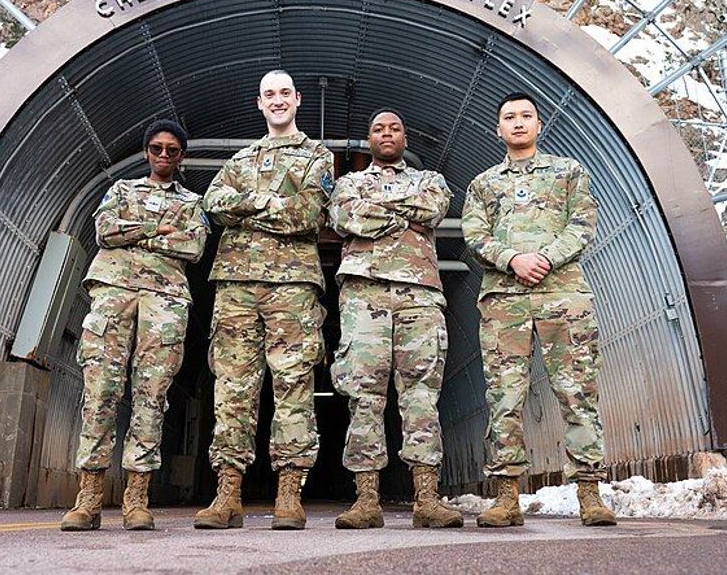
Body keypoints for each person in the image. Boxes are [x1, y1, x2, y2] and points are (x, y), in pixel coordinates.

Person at [460, 92, 617, 528]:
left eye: (526, 115)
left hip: (563, 296)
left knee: (576, 390)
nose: (518, 122)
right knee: (504, 396)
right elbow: (474, 235)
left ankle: (590, 494)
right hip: (504, 301)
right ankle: (506, 497)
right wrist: (512, 259)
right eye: (509, 117)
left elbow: (582, 224)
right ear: (498, 129)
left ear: (539, 124)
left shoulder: (568, 172)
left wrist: (545, 258)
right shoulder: (483, 184)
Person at [194, 70, 334, 531]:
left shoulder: (318, 156)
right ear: (259, 103)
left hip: (292, 286)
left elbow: (307, 213)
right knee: (232, 387)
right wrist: (273, 203)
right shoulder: (240, 159)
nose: (277, 100)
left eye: (284, 93)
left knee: (292, 384)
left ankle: (289, 494)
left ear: (298, 99)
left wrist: (249, 206)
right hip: (235, 285)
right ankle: (227, 495)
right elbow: (214, 204)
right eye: (269, 94)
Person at [61, 119, 209, 531]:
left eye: (172, 150)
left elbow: (193, 246)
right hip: (113, 294)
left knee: (152, 395)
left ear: (182, 157)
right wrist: (157, 229)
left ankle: (137, 499)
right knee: (100, 393)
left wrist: (133, 234)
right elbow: (104, 231)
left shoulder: (193, 203)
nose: (163, 155)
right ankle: (88, 499)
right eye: (156, 148)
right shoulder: (121, 190)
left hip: (165, 301)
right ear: (146, 151)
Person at [328, 110, 464, 530]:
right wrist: (403, 216)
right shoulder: (348, 183)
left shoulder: (430, 180)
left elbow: (433, 209)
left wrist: (378, 212)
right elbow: (345, 217)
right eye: (378, 129)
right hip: (363, 294)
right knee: (363, 394)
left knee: (422, 394)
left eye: (395, 128)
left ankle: (427, 498)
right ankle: (366, 500)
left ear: (405, 137)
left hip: (419, 295)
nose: (386, 134)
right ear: (368, 139)